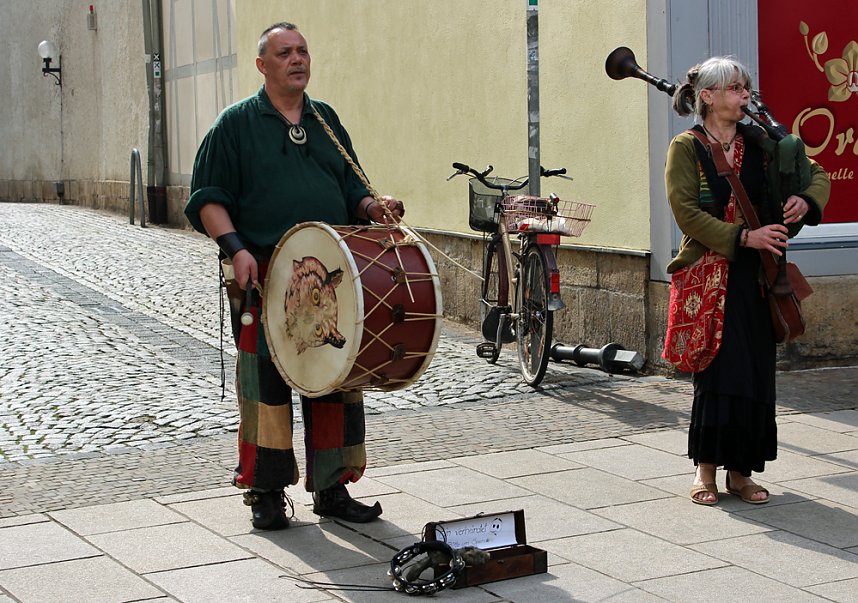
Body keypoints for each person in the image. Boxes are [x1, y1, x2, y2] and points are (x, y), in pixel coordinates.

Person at [185, 22, 404, 530]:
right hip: (263, 271)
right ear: (263, 65)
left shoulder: (325, 120)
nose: (297, 59)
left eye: (302, 50)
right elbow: (207, 198)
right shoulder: (235, 125)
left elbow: (353, 187)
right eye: (284, 53)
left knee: (334, 375)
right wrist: (234, 247)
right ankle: (265, 491)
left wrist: (376, 206)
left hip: (328, 274)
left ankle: (332, 486)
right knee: (265, 386)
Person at [665, 57, 830, 506]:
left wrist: (803, 198)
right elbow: (687, 213)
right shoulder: (687, 147)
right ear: (708, 96)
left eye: (745, 88)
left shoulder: (760, 142)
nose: (745, 96)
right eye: (736, 88)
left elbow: (815, 172)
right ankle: (705, 473)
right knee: (718, 372)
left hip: (760, 276)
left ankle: (742, 473)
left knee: (755, 373)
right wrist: (744, 235)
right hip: (710, 276)